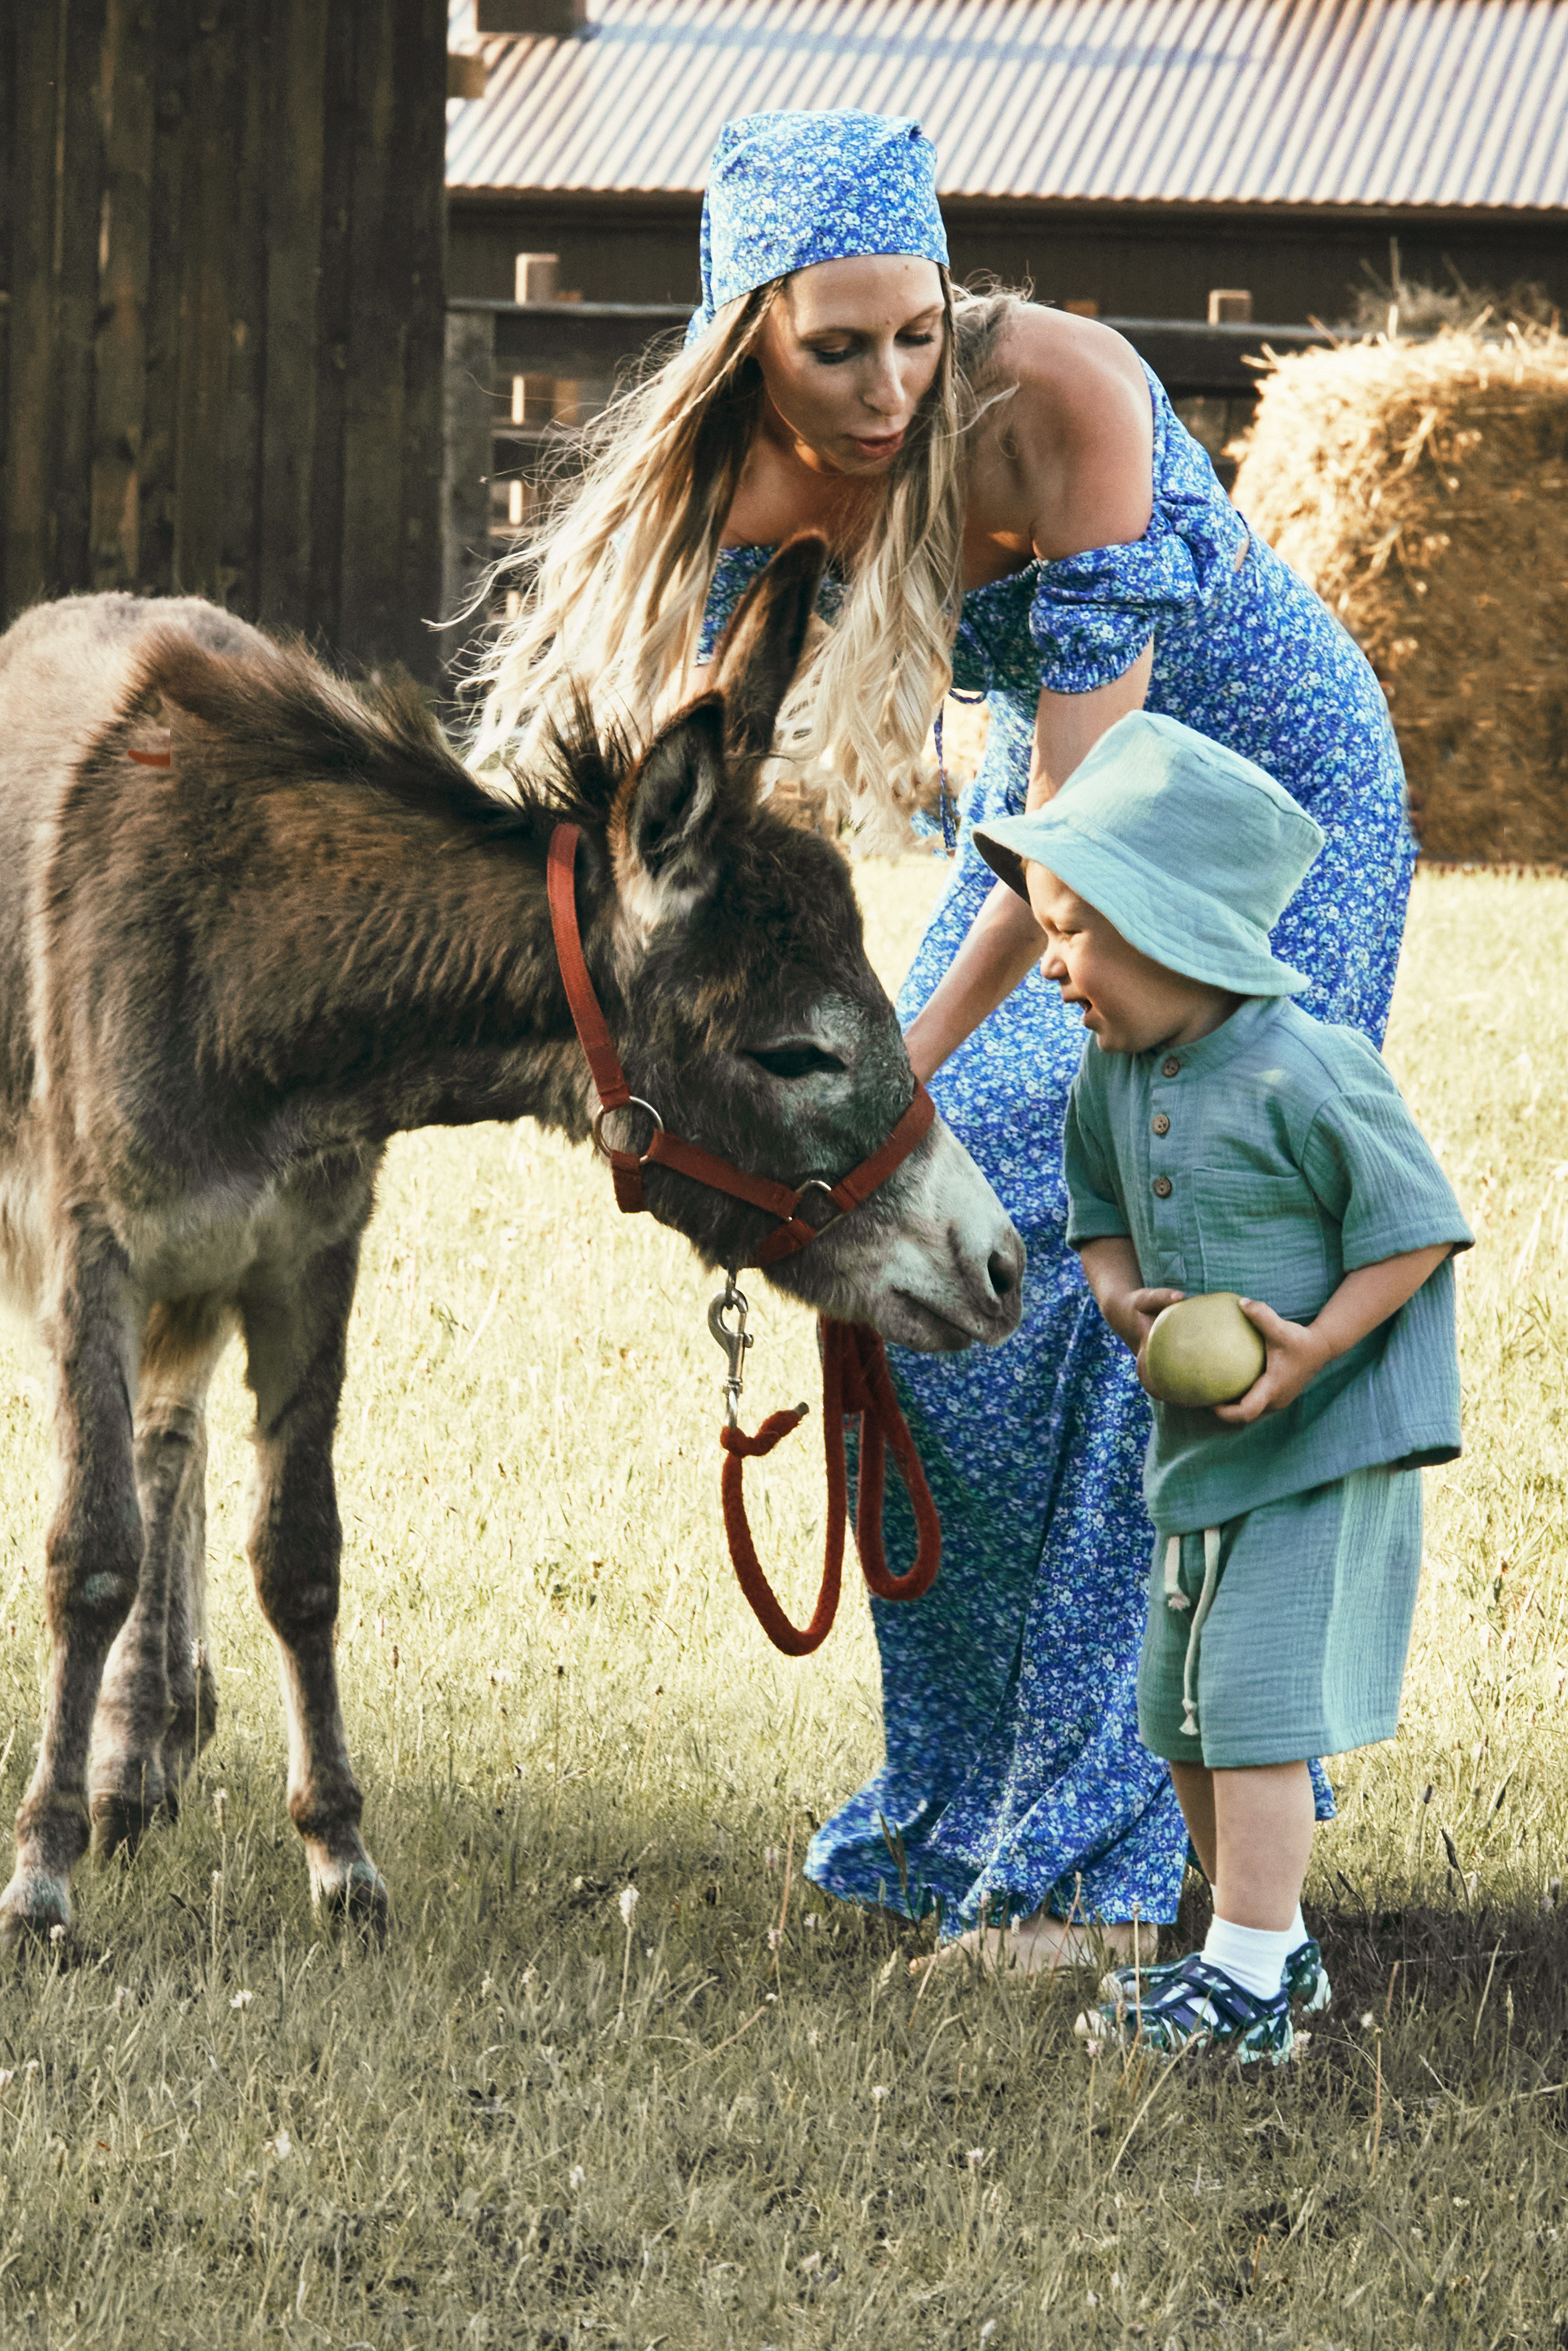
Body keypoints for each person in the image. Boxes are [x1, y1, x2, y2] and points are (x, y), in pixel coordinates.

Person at [472, 109, 1417, 1970]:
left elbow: (1098, 845)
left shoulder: (1059, 399)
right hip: (1047, 815)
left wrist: (898, 1052)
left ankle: (1105, 1865)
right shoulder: (745, 483)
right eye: (839, 347)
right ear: (750, 334)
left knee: (1118, 1222)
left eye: (917, 330)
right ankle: (961, 1801)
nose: (891, 386)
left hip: (1258, 819)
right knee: (913, 1232)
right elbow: (695, 796)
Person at [968, 713, 1470, 2057]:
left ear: (1174, 927)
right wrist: (1119, 1295)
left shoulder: (1309, 1066)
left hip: (1318, 1446)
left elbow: (1416, 1225)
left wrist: (1313, 1345)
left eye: (1073, 931)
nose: (1051, 963)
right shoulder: (1113, 1079)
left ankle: (1243, 1978)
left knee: (1250, 1703)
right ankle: (1272, 1955)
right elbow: (1096, 1214)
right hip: (1201, 1451)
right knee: (1180, 1706)